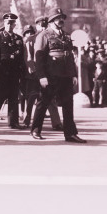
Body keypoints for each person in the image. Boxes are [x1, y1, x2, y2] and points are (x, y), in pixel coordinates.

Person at [30, 8, 86, 143]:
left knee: (68, 104)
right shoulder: (44, 35)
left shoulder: (66, 36)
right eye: (57, 18)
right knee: (43, 103)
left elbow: (70, 57)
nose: (60, 20)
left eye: (61, 18)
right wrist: (42, 76)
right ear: (51, 21)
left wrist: (73, 74)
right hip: (50, 76)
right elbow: (39, 58)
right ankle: (36, 130)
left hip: (65, 75)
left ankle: (70, 134)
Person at [21, 17, 63, 130]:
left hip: (47, 72)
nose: (43, 27)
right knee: (31, 98)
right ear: (37, 26)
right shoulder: (31, 39)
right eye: (41, 25)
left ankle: (56, 122)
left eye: (45, 25)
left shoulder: (49, 37)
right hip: (34, 73)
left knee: (50, 98)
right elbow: (29, 57)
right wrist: (33, 70)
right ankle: (26, 120)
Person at [0, 13, 25, 129]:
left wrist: (21, 72)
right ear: (4, 23)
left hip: (14, 72)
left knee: (14, 97)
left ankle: (13, 122)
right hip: (2, 71)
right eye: (7, 23)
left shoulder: (19, 39)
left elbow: (21, 58)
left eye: (12, 23)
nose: (9, 25)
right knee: (0, 95)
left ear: (15, 24)